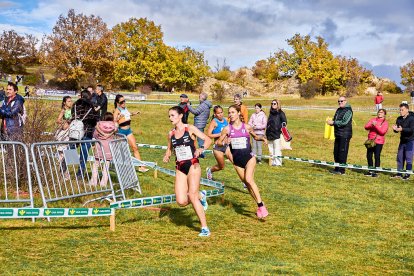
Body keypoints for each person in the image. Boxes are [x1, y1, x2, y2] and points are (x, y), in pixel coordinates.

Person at [163, 106, 212, 237]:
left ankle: (204, 228)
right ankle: (201, 195)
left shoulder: (189, 128)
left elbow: (208, 140)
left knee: (192, 196)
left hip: (192, 164)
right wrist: (167, 155)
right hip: (180, 166)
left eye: (172, 115)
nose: (170, 118)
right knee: (181, 201)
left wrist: (201, 149)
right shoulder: (171, 134)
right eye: (169, 116)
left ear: (180, 116)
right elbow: (169, 148)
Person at [217, 105, 269, 219]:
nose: (230, 114)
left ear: (239, 113)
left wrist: (263, 138)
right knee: (247, 184)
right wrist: (226, 142)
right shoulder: (227, 129)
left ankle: (261, 206)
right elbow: (218, 143)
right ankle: (259, 204)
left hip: (249, 158)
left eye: (233, 112)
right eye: (229, 112)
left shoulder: (247, 127)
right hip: (237, 162)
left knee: (249, 179)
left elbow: (255, 137)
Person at [113, 94, 148, 172]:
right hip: (121, 131)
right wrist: (118, 118)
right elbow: (114, 121)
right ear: (118, 103)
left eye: (124, 101)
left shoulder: (125, 108)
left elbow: (128, 114)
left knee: (135, 147)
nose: (124, 103)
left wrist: (134, 113)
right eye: (122, 102)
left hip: (128, 131)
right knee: (121, 150)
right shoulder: (117, 110)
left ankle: (141, 166)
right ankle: (118, 166)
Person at [71, 90, 100, 177]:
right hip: (87, 131)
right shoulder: (90, 105)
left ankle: (66, 171)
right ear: (89, 96)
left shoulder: (75, 104)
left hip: (75, 131)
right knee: (84, 153)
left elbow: (73, 115)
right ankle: (80, 173)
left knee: (70, 149)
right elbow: (93, 118)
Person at [326, 96, 353, 175]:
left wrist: (333, 123)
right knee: (336, 152)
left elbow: (344, 122)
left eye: (341, 101)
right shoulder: (338, 110)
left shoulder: (348, 110)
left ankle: (341, 170)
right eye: (338, 101)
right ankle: (336, 168)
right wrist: (331, 122)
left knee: (342, 152)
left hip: (345, 134)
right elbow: (335, 119)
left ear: (345, 101)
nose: (340, 102)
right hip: (337, 134)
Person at [90, 112, 117, 187]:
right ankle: (103, 183)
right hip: (109, 148)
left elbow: (95, 135)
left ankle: (93, 182)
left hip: (99, 147)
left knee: (95, 165)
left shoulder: (99, 125)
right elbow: (115, 134)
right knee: (106, 166)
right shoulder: (113, 126)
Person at [206, 105, 232, 180]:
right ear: (215, 114)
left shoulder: (226, 120)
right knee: (221, 166)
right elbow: (209, 134)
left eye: (221, 112)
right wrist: (221, 134)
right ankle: (210, 170)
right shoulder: (214, 122)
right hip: (218, 147)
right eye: (218, 113)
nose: (220, 114)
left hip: (226, 146)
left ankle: (244, 182)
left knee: (235, 162)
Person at [391, 103, 414, 180]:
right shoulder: (399, 119)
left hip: (411, 141)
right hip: (402, 141)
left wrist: (402, 129)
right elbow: (397, 129)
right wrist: (395, 130)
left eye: (402, 110)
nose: (400, 111)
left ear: (407, 110)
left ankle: (407, 175)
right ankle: (399, 173)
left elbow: (411, 130)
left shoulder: (412, 118)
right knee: (400, 157)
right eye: (400, 110)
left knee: (408, 158)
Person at [364, 109, 389, 177]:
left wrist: (376, 126)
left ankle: (376, 171)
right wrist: (371, 125)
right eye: (379, 112)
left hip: (379, 141)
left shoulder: (385, 122)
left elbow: (382, 132)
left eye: (381, 112)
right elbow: (366, 127)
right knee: (369, 155)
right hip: (370, 141)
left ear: (384, 114)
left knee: (377, 156)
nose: (379, 113)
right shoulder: (373, 119)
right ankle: (370, 170)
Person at [187, 92, 212, 156]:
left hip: (199, 124)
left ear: (202, 98)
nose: (198, 98)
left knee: (200, 139)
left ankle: (202, 153)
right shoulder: (206, 105)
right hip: (201, 123)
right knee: (193, 137)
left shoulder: (203, 105)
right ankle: (193, 150)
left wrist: (188, 106)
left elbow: (195, 112)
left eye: (199, 97)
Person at [266, 99, 287, 166]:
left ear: (278, 104)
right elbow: (268, 123)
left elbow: (284, 122)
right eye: (272, 103)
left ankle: (278, 163)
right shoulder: (271, 113)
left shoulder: (281, 113)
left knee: (277, 149)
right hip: (269, 133)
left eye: (274, 103)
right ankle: (272, 162)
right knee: (271, 149)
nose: (273, 105)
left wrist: (279, 128)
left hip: (277, 133)